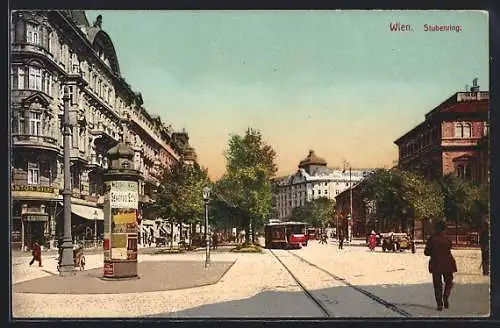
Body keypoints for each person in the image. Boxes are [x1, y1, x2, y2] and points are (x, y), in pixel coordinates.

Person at [424, 220, 457, 311]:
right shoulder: (447, 239)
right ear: (444, 229)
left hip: (436, 264)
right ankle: (446, 296)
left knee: (437, 285)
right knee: (449, 282)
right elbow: (449, 248)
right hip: (448, 263)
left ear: (435, 229)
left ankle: (439, 304)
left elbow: (426, 252)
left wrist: (433, 252)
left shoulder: (431, 239)